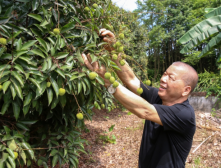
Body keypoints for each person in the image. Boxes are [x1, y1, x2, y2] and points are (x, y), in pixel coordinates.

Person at [81, 28, 198, 168]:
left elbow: (145, 111)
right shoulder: (158, 96)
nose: (163, 79)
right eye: (164, 74)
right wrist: (113, 50)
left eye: (171, 78)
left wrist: (108, 83)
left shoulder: (184, 114)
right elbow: (131, 80)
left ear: (186, 90)